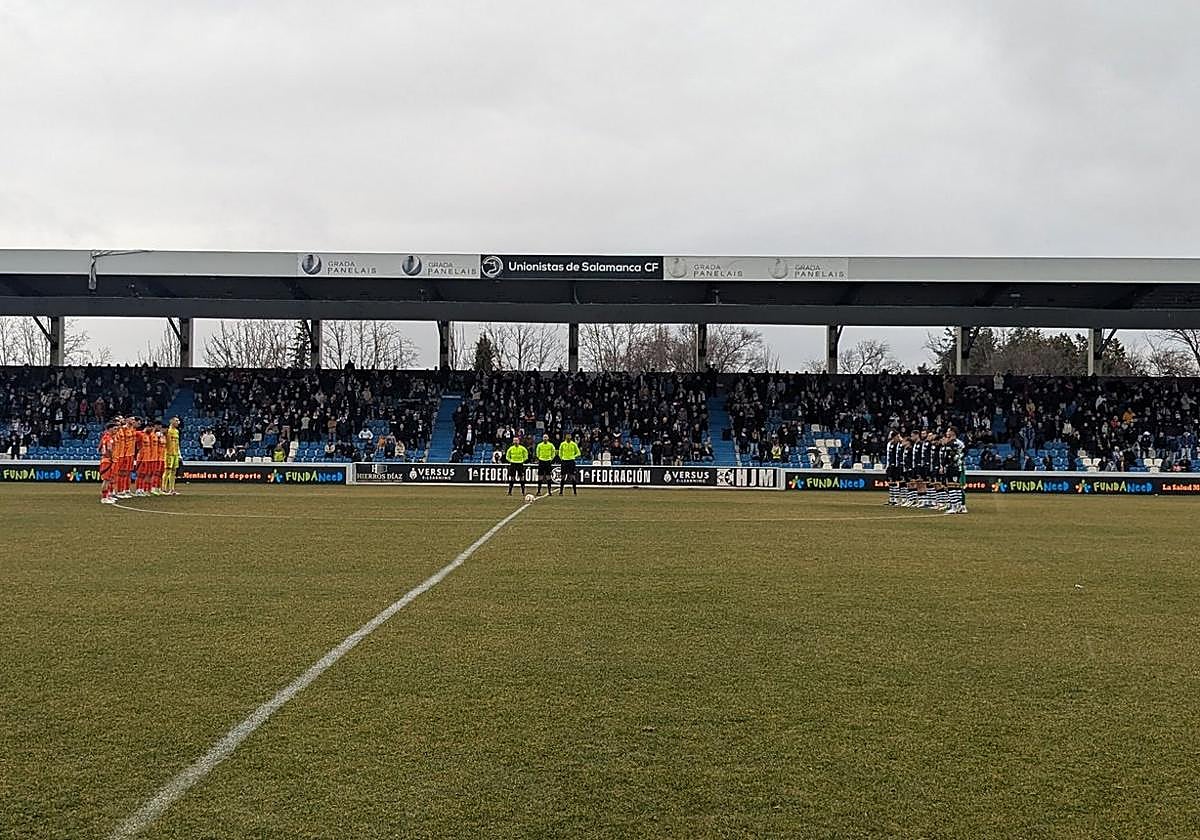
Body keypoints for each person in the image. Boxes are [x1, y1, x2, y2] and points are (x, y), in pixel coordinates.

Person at [98, 420, 117, 504]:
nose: (116, 430)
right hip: (107, 460)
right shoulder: (108, 438)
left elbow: (99, 448)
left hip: (106, 459)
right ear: (110, 429)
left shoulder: (105, 437)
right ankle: (104, 497)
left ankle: (107, 496)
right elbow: (109, 449)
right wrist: (111, 457)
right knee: (106, 480)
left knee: (109, 479)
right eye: (114, 429)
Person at [162, 416, 182, 496]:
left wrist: (179, 454)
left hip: (175, 454)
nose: (178, 422)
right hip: (169, 453)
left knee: (174, 471)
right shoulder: (168, 431)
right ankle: (163, 488)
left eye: (178, 421)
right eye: (176, 421)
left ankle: (172, 489)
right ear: (171, 421)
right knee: (167, 470)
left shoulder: (177, 431)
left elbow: (177, 444)